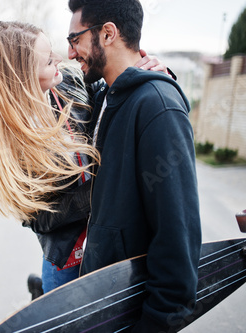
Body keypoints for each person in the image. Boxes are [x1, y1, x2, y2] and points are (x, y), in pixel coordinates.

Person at [0, 21, 171, 295]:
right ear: (24, 76)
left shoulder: (69, 82)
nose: (60, 58)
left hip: (108, 241)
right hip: (67, 256)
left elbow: (113, 97)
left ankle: (41, 293)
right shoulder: (11, 141)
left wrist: (153, 75)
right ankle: (43, 294)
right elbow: (37, 218)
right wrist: (102, 191)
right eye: (48, 60)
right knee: (66, 321)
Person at [66, 0, 202, 332]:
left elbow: (177, 242)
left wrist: (154, 324)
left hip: (132, 317)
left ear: (108, 33)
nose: (70, 53)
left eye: (74, 40)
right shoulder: (107, 97)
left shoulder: (157, 106)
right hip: (104, 302)